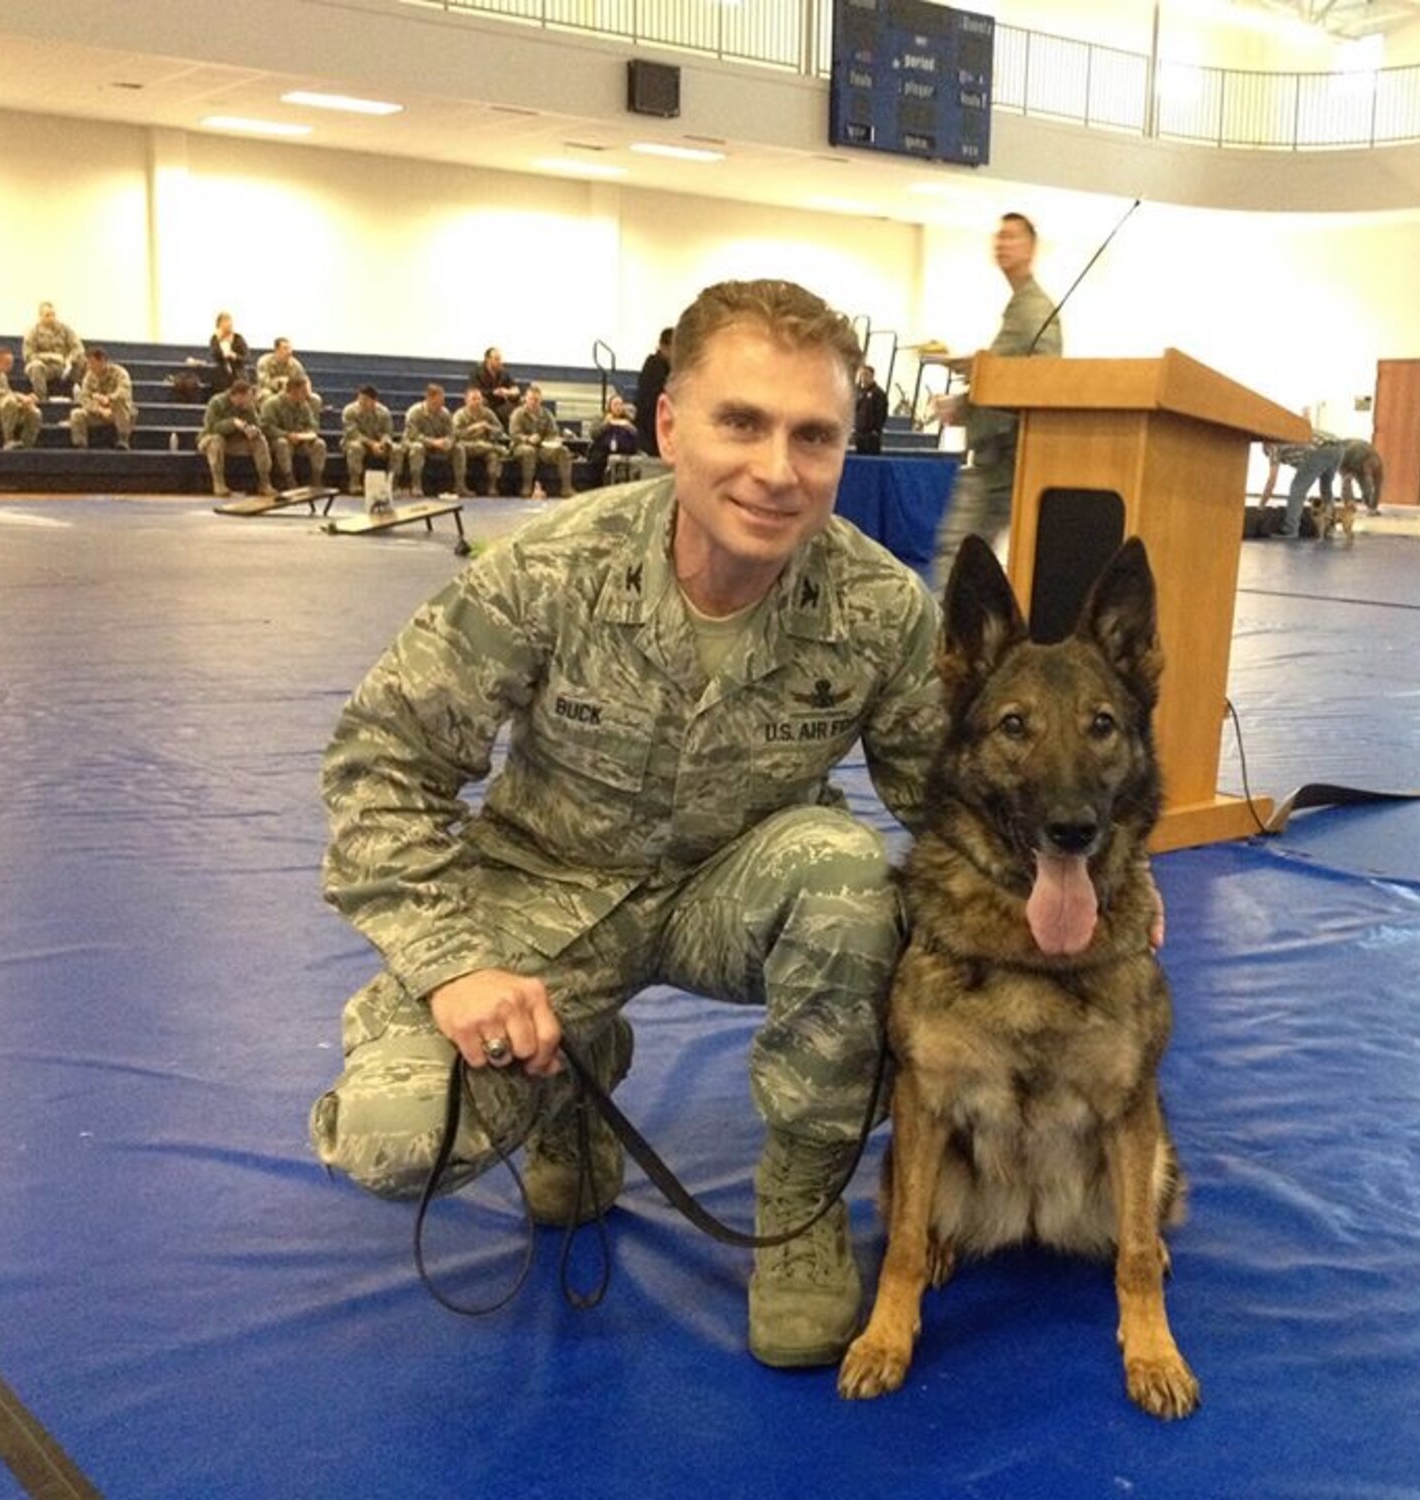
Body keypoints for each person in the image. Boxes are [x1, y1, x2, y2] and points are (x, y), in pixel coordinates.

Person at [307, 277, 944, 1371]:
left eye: (813, 435)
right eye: (739, 421)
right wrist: (456, 969)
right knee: (395, 1139)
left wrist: (1087, 888)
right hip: (540, 891)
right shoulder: (551, 569)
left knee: (846, 873)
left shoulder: (883, 609)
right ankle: (573, 1077)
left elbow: (951, 807)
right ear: (667, 424)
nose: (776, 470)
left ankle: (797, 1205)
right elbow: (382, 767)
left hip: (731, 892)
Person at [926, 212, 1063, 590]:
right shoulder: (1019, 307)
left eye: (1011, 237)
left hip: (1006, 457)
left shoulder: (1036, 310)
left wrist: (982, 368)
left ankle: (946, 633)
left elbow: (1042, 378)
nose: (1002, 244)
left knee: (959, 550)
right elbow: (1007, 375)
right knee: (969, 552)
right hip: (995, 453)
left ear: (1032, 248)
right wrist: (965, 402)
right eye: (998, 237)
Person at [199, 378, 275, 497]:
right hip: (211, 439)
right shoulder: (217, 402)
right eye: (247, 397)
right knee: (217, 440)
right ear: (239, 395)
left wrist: (254, 430)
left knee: (260, 441)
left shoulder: (249, 407)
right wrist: (233, 423)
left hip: (236, 442)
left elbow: (257, 423)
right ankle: (219, 483)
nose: (250, 400)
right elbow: (212, 427)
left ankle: (265, 482)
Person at [261, 373, 328, 490]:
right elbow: (267, 427)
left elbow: (312, 426)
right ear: (293, 390)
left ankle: (317, 477)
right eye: (304, 391)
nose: (307, 394)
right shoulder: (272, 404)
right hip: (279, 439)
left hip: (300, 440)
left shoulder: (304, 405)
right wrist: (287, 435)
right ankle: (288, 478)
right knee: (282, 443)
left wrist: (306, 435)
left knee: (320, 444)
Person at [508, 384, 575, 498]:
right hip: (521, 446)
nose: (534, 402)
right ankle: (527, 486)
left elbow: (553, 432)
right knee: (529, 451)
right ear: (526, 399)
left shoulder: (546, 414)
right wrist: (528, 439)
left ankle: (566, 487)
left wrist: (548, 440)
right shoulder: (518, 413)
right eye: (531, 399)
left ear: (541, 400)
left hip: (543, 447)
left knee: (563, 451)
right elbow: (513, 435)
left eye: (536, 400)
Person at [69, 348, 135, 450]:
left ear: (102, 361)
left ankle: (123, 439)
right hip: (99, 413)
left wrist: (109, 399)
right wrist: (99, 410)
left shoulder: (119, 373)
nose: (90, 367)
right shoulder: (89, 377)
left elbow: (124, 391)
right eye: (89, 363)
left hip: (118, 413)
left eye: (92, 363)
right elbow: (85, 399)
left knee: (121, 404)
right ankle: (80, 445)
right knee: (76, 414)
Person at [399, 383, 456, 498]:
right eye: (437, 401)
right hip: (414, 442)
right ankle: (416, 485)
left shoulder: (445, 413)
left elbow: (451, 433)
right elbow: (413, 434)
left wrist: (448, 443)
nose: (440, 404)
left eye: (442, 401)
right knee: (417, 448)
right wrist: (433, 442)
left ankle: (459, 485)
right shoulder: (415, 412)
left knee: (459, 448)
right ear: (429, 398)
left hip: (438, 444)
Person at [0, 348, 43, 449]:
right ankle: (8, 440)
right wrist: (19, 397)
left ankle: (26, 445)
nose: (10, 367)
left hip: (1, 407)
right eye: (7, 363)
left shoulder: (1, 375)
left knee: (34, 412)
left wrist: (25, 403)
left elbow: (7, 393)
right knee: (10, 402)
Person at [451, 384, 508, 497]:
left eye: (479, 399)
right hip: (467, 445)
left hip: (484, 445)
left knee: (493, 455)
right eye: (474, 399)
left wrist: (488, 427)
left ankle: (492, 486)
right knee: (466, 448)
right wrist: (472, 429)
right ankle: (460, 486)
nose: (477, 402)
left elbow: (500, 431)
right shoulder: (460, 414)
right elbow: (455, 434)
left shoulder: (487, 413)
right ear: (466, 400)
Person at [23, 302, 86, 401]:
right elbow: (28, 355)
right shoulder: (33, 332)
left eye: (53, 314)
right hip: (45, 367)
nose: (51, 318)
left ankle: (81, 396)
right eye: (47, 315)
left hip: (63, 367)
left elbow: (78, 347)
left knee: (82, 359)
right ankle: (42, 400)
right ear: (41, 316)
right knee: (36, 367)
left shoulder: (64, 329)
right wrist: (51, 356)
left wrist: (70, 360)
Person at [342, 384, 397, 497]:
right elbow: (353, 433)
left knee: (396, 449)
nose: (361, 402)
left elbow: (388, 432)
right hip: (355, 441)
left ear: (374, 401)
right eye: (360, 399)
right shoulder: (350, 411)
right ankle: (355, 483)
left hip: (377, 443)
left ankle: (393, 483)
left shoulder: (383, 412)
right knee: (355, 447)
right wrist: (372, 444)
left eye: (366, 400)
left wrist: (383, 443)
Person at [583, 392, 643, 488]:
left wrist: (629, 426)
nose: (618, 407)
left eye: (620, 404)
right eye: (615, 404)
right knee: (598, 460)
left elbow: (638, 435)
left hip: (625, 450)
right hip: (604, 451)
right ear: (609, 406)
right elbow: (594, 434)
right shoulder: (601, 418)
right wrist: (606, 424)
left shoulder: (628, 419)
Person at [632, 327, 672, 458]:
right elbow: (650, 406)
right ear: (663, 346)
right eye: (672, 349)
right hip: (650, 437)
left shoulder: (662, 368)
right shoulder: (655, 368)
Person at [470, 347, 521, 425]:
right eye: (497, 359)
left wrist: (507, 392)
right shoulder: (476, 372)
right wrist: (493, 392)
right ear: (488, 359)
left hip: (501, 403)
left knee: (518, 405)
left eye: (500, 359)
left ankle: (510, 434)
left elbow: (516, 390)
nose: (500, 362)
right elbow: (474, 391)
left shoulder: (504, 372)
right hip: (486, 402)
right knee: (481, 403)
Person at [256, 337, 315, 401]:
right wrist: (280, 382)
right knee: (267, 394)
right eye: (285, 348)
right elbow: (263, 382)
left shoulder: (296, 364)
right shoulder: (264, 361)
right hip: (269, 390)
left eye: (290, 348)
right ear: (276, 350)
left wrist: (307, 392)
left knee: (315, 398)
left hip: (290, 392)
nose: (289, 352)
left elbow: (304, 380)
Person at [208, 312, 250, 393]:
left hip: (238, 373)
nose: (228, 324)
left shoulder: (238, 338)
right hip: (221, 374)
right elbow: (215, 355)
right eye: (225, 321)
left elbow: (247, 358)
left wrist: (235, 356)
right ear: (219, 325)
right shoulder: (215, 339)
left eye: (229, 321)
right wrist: (220, 341)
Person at [852, 364, 888, 455]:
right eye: (862, 375)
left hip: (871, 435)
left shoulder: (879, 393)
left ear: (872, 376)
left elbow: (882, 413)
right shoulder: (858, 391)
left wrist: (876, 430)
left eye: (866, 375)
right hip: (859, 433)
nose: (864, 377)